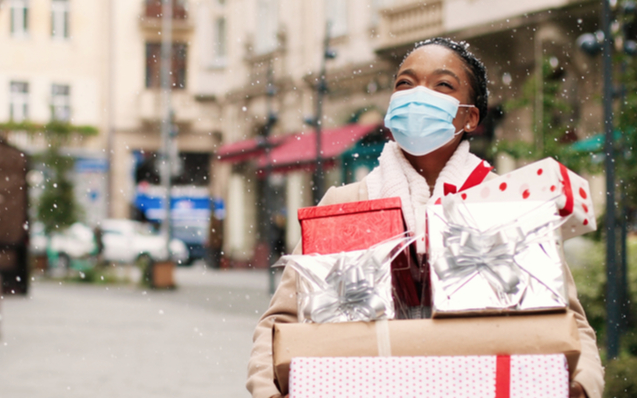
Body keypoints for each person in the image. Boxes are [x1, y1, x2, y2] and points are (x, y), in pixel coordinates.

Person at [246, 37, 604, 398]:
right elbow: (280, 322)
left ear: (470, 116)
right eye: (405, 83)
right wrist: (269, 391)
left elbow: (570, 321)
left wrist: (581, 386)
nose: (418, 94)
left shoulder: (506, 205)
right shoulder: (346, 202)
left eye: (443, 84)